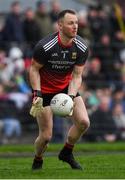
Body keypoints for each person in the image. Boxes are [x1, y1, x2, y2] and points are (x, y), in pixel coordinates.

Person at [29, 9, 90, 170]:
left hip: (65, 88)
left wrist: (70, 97)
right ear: (60, 25)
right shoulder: (45, 46)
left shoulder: (82, 47)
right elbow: (33, 70)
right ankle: (38, 159)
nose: (75, 26)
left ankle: (66, 152)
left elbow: (77, 76)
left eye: (76, 23)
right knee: (46, 136)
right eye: (71, 23)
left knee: (84, 122)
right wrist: (37, 94)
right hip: (45, 91)